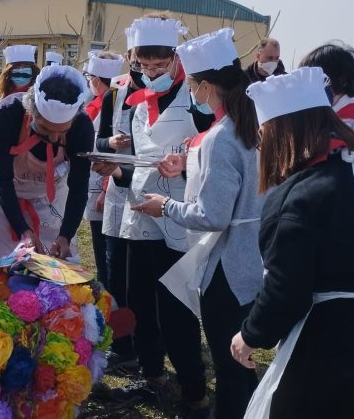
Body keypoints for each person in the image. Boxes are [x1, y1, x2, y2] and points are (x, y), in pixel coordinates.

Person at [231, 66, 354, 418]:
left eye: (263, 135)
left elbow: (286, 288)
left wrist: (250, 335)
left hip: (327, 350)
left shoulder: (299, 197)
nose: (261, 145)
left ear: (282, 134)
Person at [133, 27, 263, 419]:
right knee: (242, 361)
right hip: (251, 260)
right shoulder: (251, 127)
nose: (191, 92)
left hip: (226, 268)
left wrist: (166, 206)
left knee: (229, 367)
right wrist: (188, 164)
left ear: (206, 86)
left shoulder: (221, 137)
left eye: (192, 84)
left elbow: (213, 215)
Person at [93, 16, 211, 411]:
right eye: (144, 65)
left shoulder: (194, 100)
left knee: (175, 308)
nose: (152, 72)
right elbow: (140, 162)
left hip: (179, 216)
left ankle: (194, 392)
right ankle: (153, 376)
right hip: (140, 213)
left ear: (176, 59)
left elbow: (215, 154)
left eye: (160, 65)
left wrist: (186, 164)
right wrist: (117, 169)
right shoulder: (139, 102)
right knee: (138, 300)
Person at [0, 64, 94, 261]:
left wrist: (65, 235)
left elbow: (79, 187)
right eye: (46, 130)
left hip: (49, 199)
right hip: (2, 197)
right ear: (31, 111)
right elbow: (2, 179)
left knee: (51, 270)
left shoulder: (82, 126)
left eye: (62, 131)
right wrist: (24, 230)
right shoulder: (7, 114)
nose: (55, 138)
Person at [93, 37, 143, 371]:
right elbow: (94, 141)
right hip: (116, 198)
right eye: (139, 59)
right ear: (129, 57)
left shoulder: (179, 97)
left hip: (151, 200)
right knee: (113, 276)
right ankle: (122, 346)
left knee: (143, 279)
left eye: (156, 60)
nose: (145, 68)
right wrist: (109, 141)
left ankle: (149, 345)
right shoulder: (115, 95)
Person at [81, 50, 125, 284]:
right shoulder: (95, 105)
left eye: (90, 78)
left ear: (96, 80)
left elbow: (116, 150)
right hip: (96, 183)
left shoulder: (113, 103)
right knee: (100, 248)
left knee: (106, 250)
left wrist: (107, 189)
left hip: (108, 185)